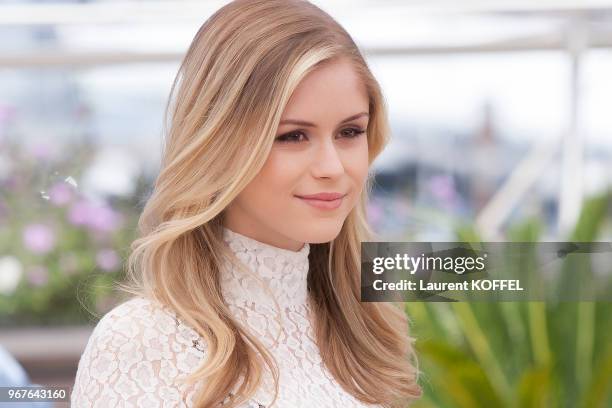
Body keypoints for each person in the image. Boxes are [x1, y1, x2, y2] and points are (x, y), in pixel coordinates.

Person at [70, 0, 421, 406]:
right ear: (221, 142)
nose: (332, 167)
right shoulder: (140, 342)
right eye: (292, 136)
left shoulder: (367, 327)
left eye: (349, 131)